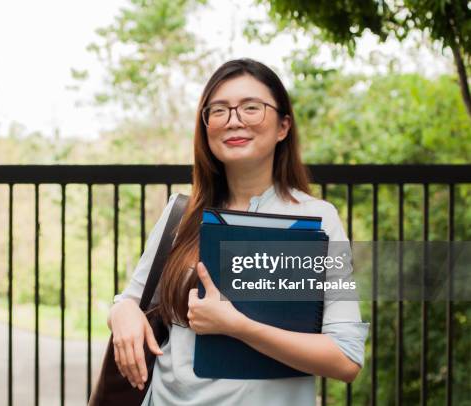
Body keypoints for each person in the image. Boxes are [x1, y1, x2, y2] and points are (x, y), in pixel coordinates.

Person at [106, 58, 369, 405]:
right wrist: (122, 313)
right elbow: (129, 301)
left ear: (283, 126)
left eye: (251, 108)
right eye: (218, 110)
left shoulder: (318, 220)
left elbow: (346, 357)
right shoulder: (180, 213)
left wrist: (237, 325)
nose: (233, 121)